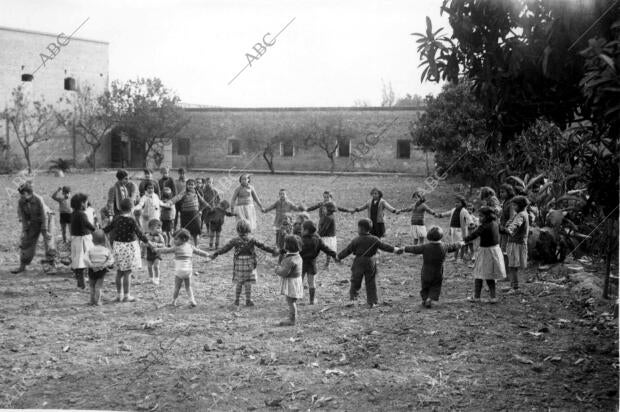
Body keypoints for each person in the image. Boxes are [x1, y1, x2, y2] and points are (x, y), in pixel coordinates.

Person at [210, 219, 278, 307]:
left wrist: (216, 253)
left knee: (239, 282)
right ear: (249, 229)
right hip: (250, 263)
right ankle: (248, 300)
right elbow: (263, 246)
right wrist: (273, 251)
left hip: (239, 263)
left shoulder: (235, 240)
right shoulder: (252, 239)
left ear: (238, 229)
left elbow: (225, 248)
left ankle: (237, 300)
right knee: (248, 282)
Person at [337, 218, 398, 307]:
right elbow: (385, 247)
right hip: (370, 261)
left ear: (361, 229)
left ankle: (353, 299)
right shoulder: (375, 239)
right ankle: (372, 302)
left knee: (355, 281)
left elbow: (347, 250)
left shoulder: (356, 240)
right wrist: (395, 249)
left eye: (358, 228)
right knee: (371, 281)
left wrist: (339, 257)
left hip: (358, 262)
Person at [397, 226, 464, 308]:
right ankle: (430, 298)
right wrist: (461, 243)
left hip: (426, 272)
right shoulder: (445, 246)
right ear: (441, 236)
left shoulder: (425, 246)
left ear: (429, 237)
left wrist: (404, 248)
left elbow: (414, 248)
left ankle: (425, 299)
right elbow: (454, 246)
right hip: (438, 272)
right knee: (436, 286)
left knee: (425, 286)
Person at [103, 198, 153, 302]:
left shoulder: (116, 219)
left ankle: (118, 295)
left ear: (120, 208)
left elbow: (107, 229)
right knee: (127, 273)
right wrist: (148, 242)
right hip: (129, 248)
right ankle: (127, 295)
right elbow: (139, 234)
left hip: (118, 246)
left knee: (119, 272)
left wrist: (98, 231)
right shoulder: (131, 220)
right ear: (131, 209)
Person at [11, 183, 57, 274]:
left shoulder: (39, 199)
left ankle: (51, 266)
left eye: (23, 193)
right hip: (33, 220)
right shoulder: (21, 201)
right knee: (26, 241)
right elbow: (24, 217)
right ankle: (22, 266)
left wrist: (45, 230)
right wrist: (25, 230)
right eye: (21, 194)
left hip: (47, 219)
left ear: (29, 193)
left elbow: (44, 216)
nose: (21, 196)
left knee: (48, 241)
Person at [463, 207, 506, 303]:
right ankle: (493, 297)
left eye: (481, 216)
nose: (479, 218)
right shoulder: (496, 223)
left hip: (485, 252)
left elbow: (474, 235)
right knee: (490, 275)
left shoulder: (484, 226)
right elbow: (503, 230)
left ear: (487, 216)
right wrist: (509, 231)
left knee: (478, 274)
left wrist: (464, 240)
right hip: (495, 250)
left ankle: (477, 297)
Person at [157, 229, 209, 307]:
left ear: (184, 239)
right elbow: (199, 252)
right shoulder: (190, 246)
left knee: (177, 287)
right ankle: (192, 300)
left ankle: (174, 301)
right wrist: (207, 254)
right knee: (188, 287)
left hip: (179, 271)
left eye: (176, 239)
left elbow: (166, 250)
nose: (174, 241)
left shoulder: (176, 248)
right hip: (188, 271)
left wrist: (157, 250)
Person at [299, 220, 338, 304]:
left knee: (299, 281)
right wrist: (335, 255)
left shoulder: (300, 240)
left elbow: (294, 250)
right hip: (312, 264)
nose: (301, 230)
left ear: (306, 230)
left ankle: (298, 297)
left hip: (301, 263)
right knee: (312, 283)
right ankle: (312, 300)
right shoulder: (318, 240)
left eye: (302, 229)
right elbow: (326, 249)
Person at [500, 195, 530, 293]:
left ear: (520, 205)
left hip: (516, 243)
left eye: (514, 205)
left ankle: (515, 287)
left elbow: (516, 225)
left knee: (513, 266)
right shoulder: (522, 213)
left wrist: (507, 229)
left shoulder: (521, 215)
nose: (513, 207)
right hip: (517, 243)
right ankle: (513, 285)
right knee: (512, 265)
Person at [168, 179, 208, 246]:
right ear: (186, 185)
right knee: (185, 232)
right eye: (189, 184)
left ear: (194, 186)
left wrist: (208, 206)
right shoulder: (184, 192)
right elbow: (177, 197)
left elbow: (202, 201)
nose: (190, 186)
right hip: (185, 215)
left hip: (194, 215)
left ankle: (196, 246)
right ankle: (185, 246)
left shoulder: (197, 193)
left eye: (192, 184)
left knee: (196, 232)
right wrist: (170, 202)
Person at [275, 235, 304, 326]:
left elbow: (284, 272)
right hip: (296, 281)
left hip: (291, 283)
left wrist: (277, 270)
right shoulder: (297, 256)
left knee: (290, 301)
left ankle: (292, 319)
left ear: (288, 246)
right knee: (292, 301)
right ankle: (292, 317)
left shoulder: (290, 259)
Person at [70, 193, 96, 289]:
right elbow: (88, 225)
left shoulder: (73, 213)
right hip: (83, 240)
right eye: (86, 202)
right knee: (86, 259)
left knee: (78, 260)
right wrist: (96, 230)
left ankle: (80, 281)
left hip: (76, 239)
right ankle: (84, 281)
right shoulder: (82, 214)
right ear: (81, 203)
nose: (87, 204)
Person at [435, 195, 472, 262]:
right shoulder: (453, 209)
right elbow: (447, 213)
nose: (456, 204)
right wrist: (440, 215)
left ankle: (461, 258)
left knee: (462, 243)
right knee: (455, 244)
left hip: (460, 230)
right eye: (455, 202)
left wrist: (471, 223)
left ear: (462, 203)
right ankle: (455, 257)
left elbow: (469, 218)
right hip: (453, 229)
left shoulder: (464, 211)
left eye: (458, 202)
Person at [83, 230, 114, 306]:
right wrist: (105, 265)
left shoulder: (90, 250)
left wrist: (91, 265)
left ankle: (91, 301)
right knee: (98, 287)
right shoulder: (106, 250)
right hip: (101, 270)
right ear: (104, 240)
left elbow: (85, 258)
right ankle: (98, 301)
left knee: (92, 286)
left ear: (93, 241)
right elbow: (111, 260)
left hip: (92, 270)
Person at [498, 183, 516, 271]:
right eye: (500, 192)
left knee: (505, 252)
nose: (501, 194)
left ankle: (507, 274)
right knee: (502, 251)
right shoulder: (505, 202)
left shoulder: (511, 202)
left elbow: (512, 217)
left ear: (509, 192)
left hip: (507, 230)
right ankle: (504, 272)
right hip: (503, 229)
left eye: (503, 192)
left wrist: (506, 228)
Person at [145, 219, 166, 285]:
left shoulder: (160, 236)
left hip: (157, 253)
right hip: (149, 253)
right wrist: (147, 244)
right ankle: (151, 278)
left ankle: (157, 278)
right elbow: (143, 243)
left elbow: (163, 245)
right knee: (149, 266)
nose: (160, 230)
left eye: (160, 228)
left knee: (156, 266)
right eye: (158, 228)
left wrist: (156, 244)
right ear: (151, 228)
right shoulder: (147, 236)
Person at [318, 201, 338, 269]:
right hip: (329, 236)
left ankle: (327, 264)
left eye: (325, 208)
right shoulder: (330, 216)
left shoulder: (328, 218)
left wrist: (318, 235)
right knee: (330, 249)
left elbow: (324, 228)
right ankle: (335, 259)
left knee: (328, 250)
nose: (324, 210)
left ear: (329, 209)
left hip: (328, 236)